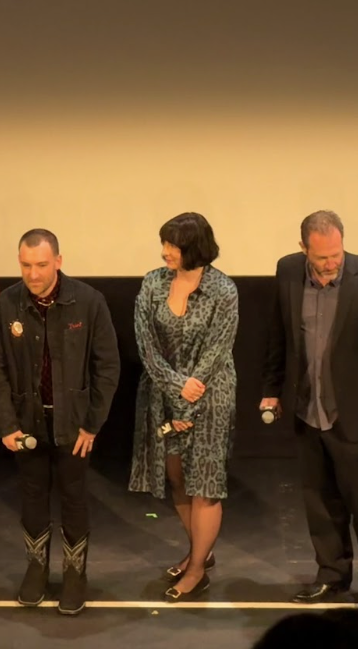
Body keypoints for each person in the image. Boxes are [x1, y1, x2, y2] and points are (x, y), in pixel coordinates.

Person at [0, 229, 120, 615]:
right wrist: (7, 425)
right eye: (26, 265)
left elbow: (107, 367)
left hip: (74, 425)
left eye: (41, 265)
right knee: (31, 496)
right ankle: (36, 568)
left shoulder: (89, 302)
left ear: (58, 261)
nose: (33, 273)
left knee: (75, 498)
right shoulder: (6, 305)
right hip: (26, 425)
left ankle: (75, 574)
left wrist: (92, 425)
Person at [261, 210, 358, 611]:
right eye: (322, 258)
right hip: (307, 409)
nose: (331, 264)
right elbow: (278, 334)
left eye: (336, 255)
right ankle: (331, 574)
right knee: (319, 499)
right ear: (303, 250)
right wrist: (271, 389)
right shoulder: (287, 272)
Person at [128, 212, 239, 602]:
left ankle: (195, 569)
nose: (165, 253)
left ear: (194, 248)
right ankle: (200, 551)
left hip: (210, 396)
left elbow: (218, 348)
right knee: (175, 475)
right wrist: (176, 385)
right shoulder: (153, 283)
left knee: (204, 485)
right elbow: (145, 343)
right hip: (163, 393)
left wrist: (192, 390)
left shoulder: (222, 290)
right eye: (165, 244)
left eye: (173, 246)